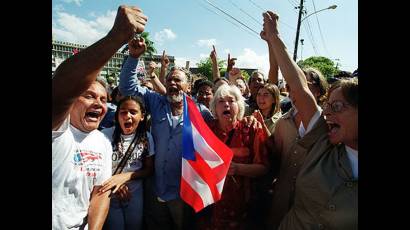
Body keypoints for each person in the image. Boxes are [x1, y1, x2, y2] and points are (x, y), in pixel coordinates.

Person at [52, 5, 148, 229]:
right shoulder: (58, 129)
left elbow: (99, 194)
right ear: (73, 99)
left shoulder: (102, 143)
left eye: (103, 100)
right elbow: (60, 89)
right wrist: (115, 38)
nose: (98, 103)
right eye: (89, 96)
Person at [262, 10, 358, 229]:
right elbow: (299, 88)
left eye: (337, 107)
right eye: (327, 107)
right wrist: (274, 37)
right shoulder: (322, 140)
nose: (327, 113)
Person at [118, 38, 213, 230]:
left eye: (177, 80)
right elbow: (128, 88)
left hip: (183, 193)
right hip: (155, 189)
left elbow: (220, 135)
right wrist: (134, 57)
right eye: (169, 79)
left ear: (188, 86)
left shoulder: (200, 112)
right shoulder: (156, 102)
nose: (172, 83)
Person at [204, 84, 269, 229]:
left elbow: (264, 168)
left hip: (243, 210)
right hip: (212, 210)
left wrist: (237, 168)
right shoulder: (206, 130)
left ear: (239, 106)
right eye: (221, 101)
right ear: (214, 107)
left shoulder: (251, 128)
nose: (226, 104)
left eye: (231, 100)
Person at [101, 96, 155, 230]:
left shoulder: (147, 137)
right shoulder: (103, 136)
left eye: (133, 112)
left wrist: (126, 177)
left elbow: (149, 169)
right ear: (117, 115)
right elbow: (97, 169)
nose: (127, 116)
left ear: (142, 116)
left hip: (134, 195)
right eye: (123, 112)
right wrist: (115, 183)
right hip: (109, 194)